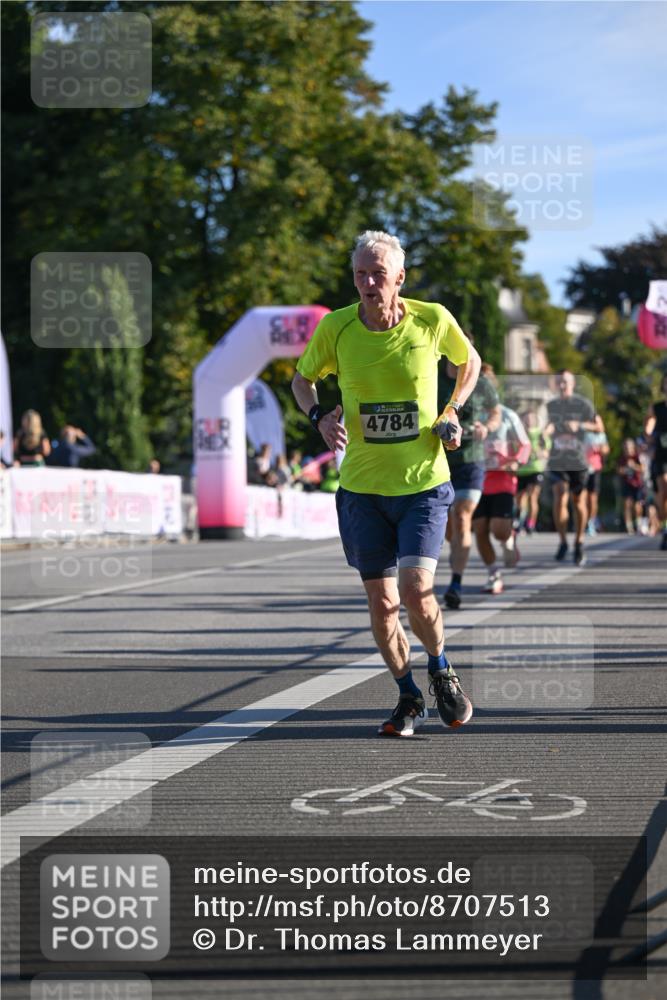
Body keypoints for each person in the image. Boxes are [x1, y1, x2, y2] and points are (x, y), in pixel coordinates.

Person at [292, 230, 480, 736]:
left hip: (422, 484)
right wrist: (318, 419)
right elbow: (301, 379)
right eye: (360, 274)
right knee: (382, 603)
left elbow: (470, 362)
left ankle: (440, 667)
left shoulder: (431, 319)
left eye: (378, 274)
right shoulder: (336, 328)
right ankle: (407, 694)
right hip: (361, 490)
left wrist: (452, 410)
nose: (369, 283)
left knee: (416, 592)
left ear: (400, 277)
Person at [438, 347, 501, 609]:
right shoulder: (431, 377)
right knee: (450, 529)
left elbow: (496, 412)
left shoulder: (479, 380)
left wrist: (486, 427)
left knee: (463, 517)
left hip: (471, 461)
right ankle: (469, 563)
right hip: (439, 461)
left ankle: (456, 583)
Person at [473, 400, 531, 595]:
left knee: (498, 530)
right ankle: (493, 574)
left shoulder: (508, 415)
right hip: (477, 479)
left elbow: (524, 445)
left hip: (502, 479)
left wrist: (516, 462)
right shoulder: (468, 411)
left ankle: (508, 538)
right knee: (480, 529)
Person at [544, 370, 601, 566]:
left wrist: (581, 425)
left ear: (572, 384)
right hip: (557, 459)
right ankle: (562, 541)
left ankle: (579, 542)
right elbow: (548, 425)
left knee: (578, 502)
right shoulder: (551, 405)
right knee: (560, 495)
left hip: (578, 460)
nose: (562, 385)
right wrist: (546, 431)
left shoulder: (582, 404)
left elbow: (599, 427)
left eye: (565, 382)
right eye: (559, 382)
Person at [644, 372, 667, 550]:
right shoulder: (657, 407)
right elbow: (648, 427)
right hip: (661, 452)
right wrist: (650, 436)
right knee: (663, 489)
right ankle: (665, 528)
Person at [516, 409, 548, 535]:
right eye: (526, 419)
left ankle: (530, 524)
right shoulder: (519, 433)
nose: (529, 421)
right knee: (520, 499)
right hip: (522, 470)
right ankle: (519, 521)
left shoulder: (540, 434)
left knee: (532, 497)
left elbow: (547, 450)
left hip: (535, 469)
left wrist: (540, 453)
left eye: (531, 419)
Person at [584, 420, 609, 536]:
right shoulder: (582, 433)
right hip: (582, 468)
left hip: (595, 469)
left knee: (592, 498)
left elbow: (606, 450)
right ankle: (582, 522)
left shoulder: (601, 436)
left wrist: (599, 448)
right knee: (581, 498)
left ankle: (591, 522)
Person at [617, 438, 645, 534]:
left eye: (629, 447)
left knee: (637, 505)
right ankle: (629, 526)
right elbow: (619, 471)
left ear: (633, 447)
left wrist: (634, 466)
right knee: (627, 505)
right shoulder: (622, 458)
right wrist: (624, 469)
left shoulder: (637, 457)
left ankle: (639, 524)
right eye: (625, 447)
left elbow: (643, 468)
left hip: (637, 484)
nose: (627, 449)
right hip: (626, 483)